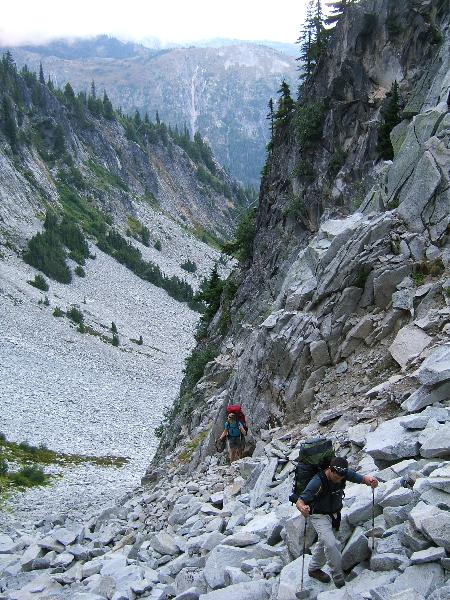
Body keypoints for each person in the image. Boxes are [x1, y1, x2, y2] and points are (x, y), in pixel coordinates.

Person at [295, 456, 378, 589]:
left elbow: (362, 479)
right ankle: (338, 578)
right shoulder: (317, 481)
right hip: (319, 515)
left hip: (334, 514)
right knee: (331, 544)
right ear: (330, 470)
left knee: (324, 542)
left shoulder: (343, 473)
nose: (339, 479)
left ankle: (313, 569)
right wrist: (303, 508)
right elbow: (300, 501)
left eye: (341, 478)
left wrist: (370, 481)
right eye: (336, 477)